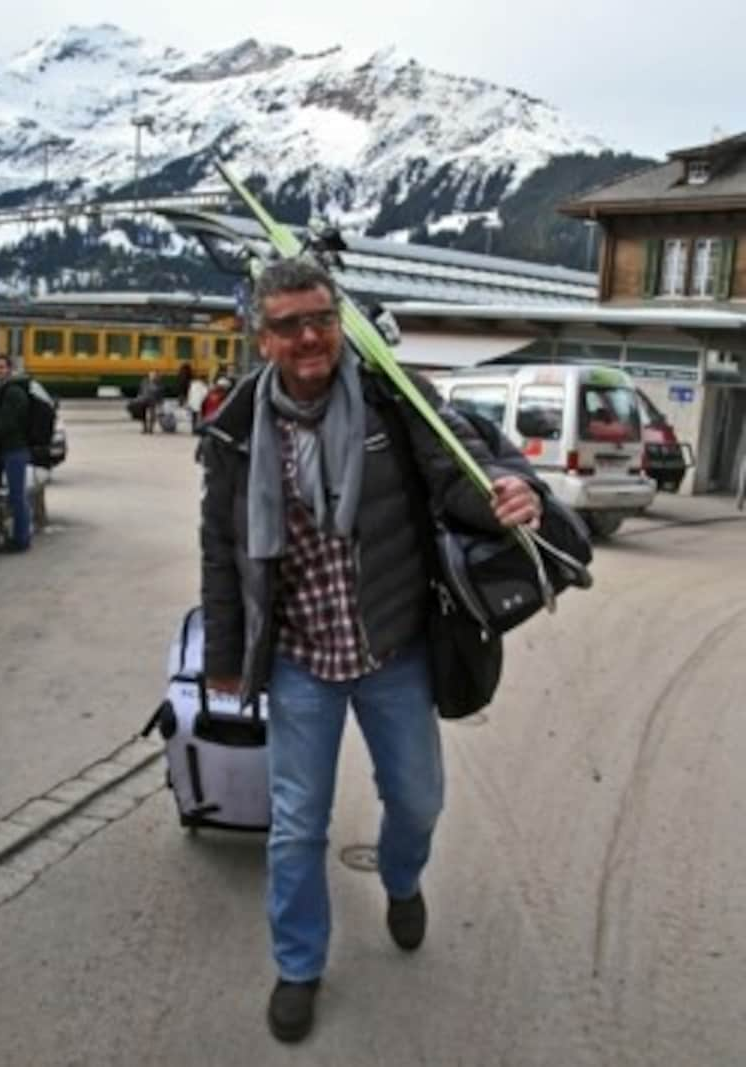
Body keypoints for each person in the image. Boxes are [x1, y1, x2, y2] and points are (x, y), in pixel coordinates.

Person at [199, 259, 542, 1043]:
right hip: (297, 658)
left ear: (340, 320)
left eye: (320, 317)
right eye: (287, 324)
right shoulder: (235, 425)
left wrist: (505, 489)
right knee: (296, 825)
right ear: (263, 337)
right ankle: (297, 965)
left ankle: (401, 877)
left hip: (392, 645)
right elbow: (222, 545)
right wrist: (226, 649)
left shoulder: (390, 392)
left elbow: (463, 465)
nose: (308, 336)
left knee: (418, 799)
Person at [0, 355, 31, 552]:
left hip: (14, 450)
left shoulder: (13, 391)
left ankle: (21, 540)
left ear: (9, 369)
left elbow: (9, 423)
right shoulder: (4, 389)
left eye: (1, 368)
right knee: (14, 496)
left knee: (17, 497)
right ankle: (17, 537)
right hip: (7, 448)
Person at [137, 370, 163, 434]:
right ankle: (145, 428)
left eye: (154, 375)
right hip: (143, 400)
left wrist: (160, 401)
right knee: (143, 415)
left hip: (152, 401)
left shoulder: (158, 382)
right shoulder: (144, 381)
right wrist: (139, 397)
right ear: (149, 375)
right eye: (151, 375)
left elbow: (160, 392)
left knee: (152, 415)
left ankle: (151, 429)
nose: (152, 376)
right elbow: (140, 390)